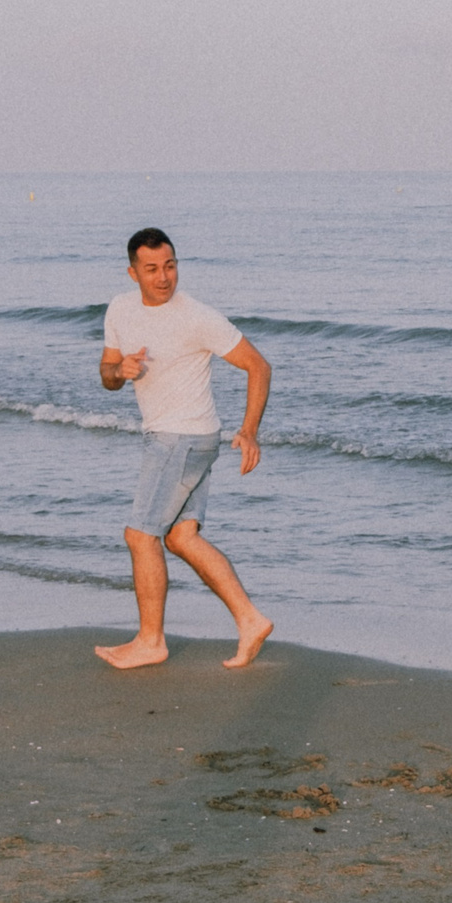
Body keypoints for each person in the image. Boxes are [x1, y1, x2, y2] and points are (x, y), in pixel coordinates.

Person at [95, 228, 275, 670]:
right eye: (152, 269)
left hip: (181, 438)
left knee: (140, 535)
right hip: (185, 438)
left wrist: (249, 430)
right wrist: (122, 370)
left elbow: (258, 365)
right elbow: (106, 373)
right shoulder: (120, 308)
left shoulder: (197, 316)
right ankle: (250, 620)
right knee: (180, 537)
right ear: (133, 271)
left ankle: (151, 641)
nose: (163, 278)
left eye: (170, 266)